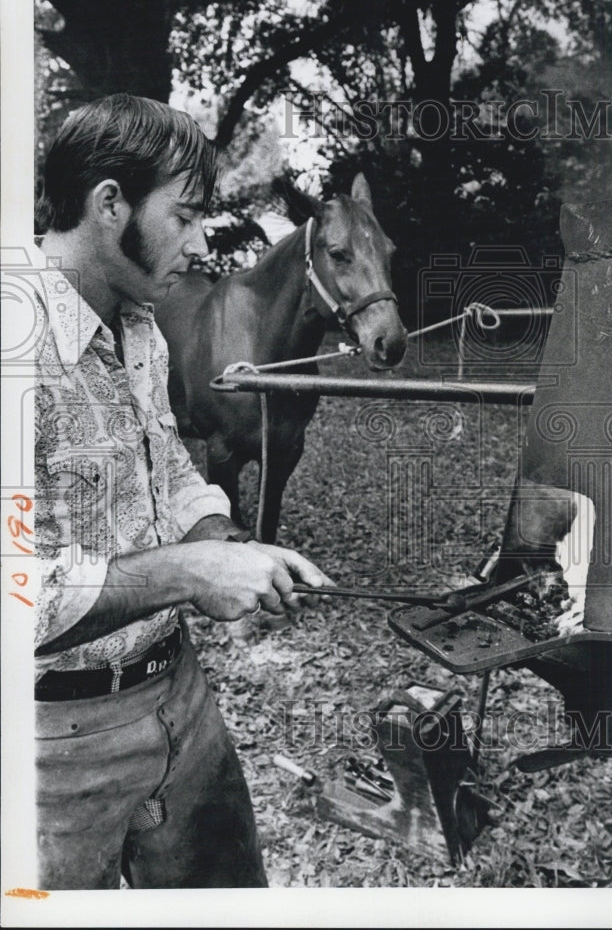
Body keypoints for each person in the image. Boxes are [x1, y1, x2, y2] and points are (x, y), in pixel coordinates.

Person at [33, 93, 333, 889]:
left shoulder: (140, 323)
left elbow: (166, 464)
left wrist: (225, 545)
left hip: (180, 699)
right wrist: (190, 577)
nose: (202, 244)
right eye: (187, 217)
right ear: (108, 204)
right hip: (46, 754)